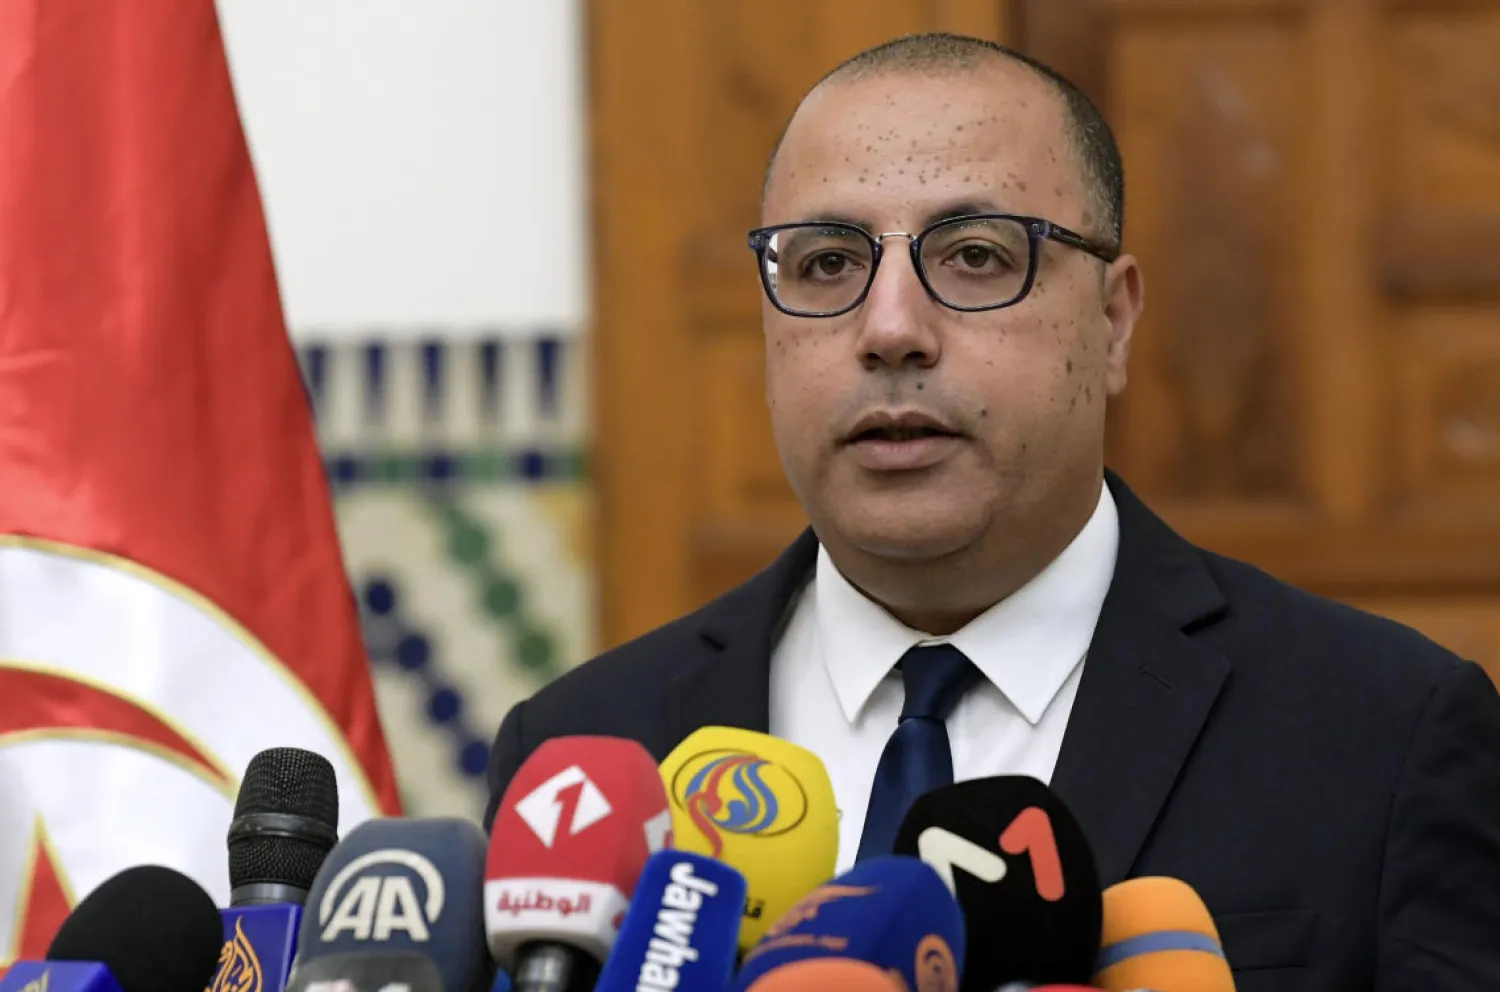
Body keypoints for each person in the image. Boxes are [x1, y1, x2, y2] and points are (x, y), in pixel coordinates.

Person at [484, 32, 1500, 989]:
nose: (890, 329)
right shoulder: (584, 752)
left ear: (1112, 320)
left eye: (975, 254)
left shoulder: (1382, 733)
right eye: (828, 262)